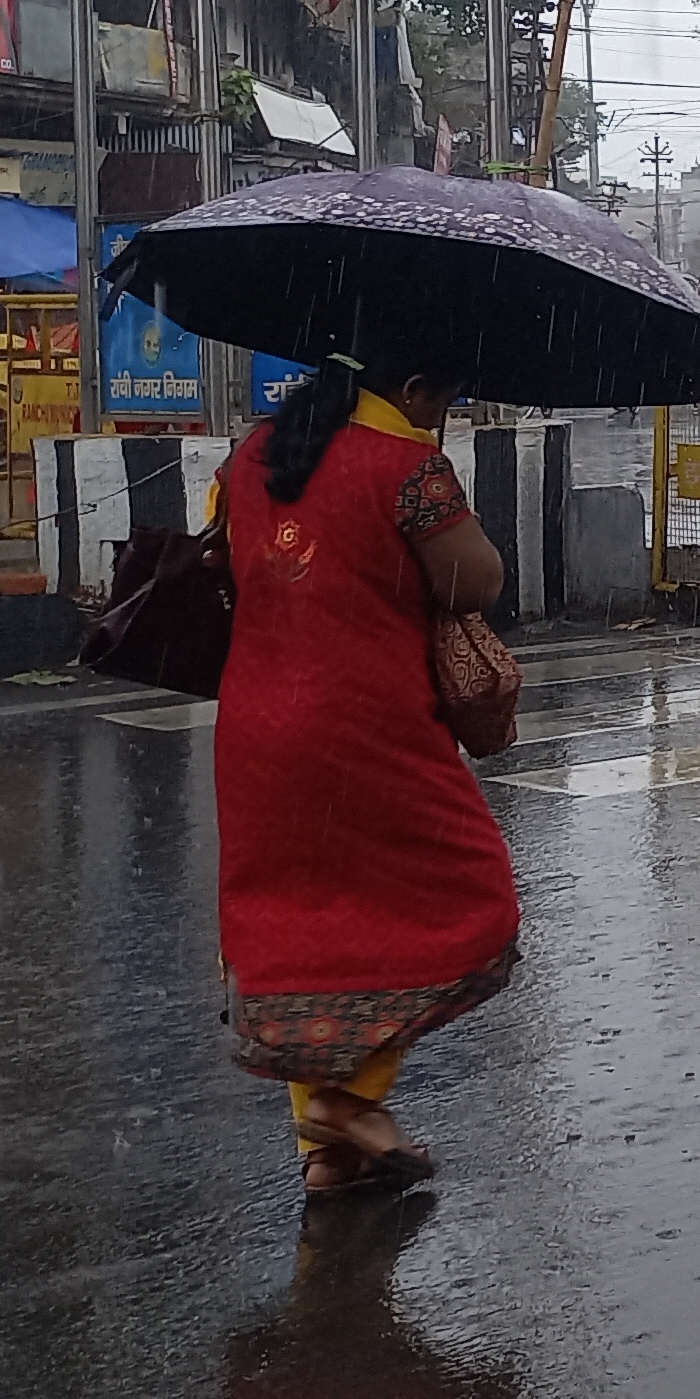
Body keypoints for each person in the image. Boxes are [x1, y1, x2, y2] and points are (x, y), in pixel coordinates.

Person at [214, 326, 515, 1197]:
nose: (443, 415)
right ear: (415, 388)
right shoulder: (406, 467)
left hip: (258, 726)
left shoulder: (254, 454)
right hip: (365, 723)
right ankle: (353, 1102)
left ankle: (328, 1154)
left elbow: (242, 569)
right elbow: (475, 583)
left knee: (301, 926)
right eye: (443, 401)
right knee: (465, 896)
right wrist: (447, 497)